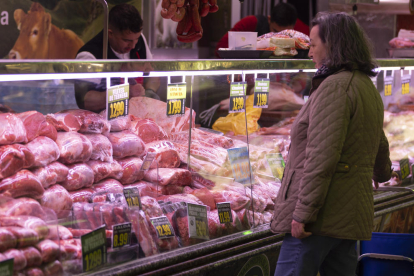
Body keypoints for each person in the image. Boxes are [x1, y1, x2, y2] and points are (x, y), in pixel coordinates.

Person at [270, 12, 392, 276]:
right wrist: (381, 173)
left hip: (319, 220)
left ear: (333, 45)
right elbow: (378, 144)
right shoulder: (365, 85)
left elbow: (321, 157)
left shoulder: (335, 87)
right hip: (347, 217)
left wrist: (303, 213)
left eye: (313, 45)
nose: (310, 53)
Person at [75, 3, 160, 112]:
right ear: (110, 33)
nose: (133, 46)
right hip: (103, 122)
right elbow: (85, 101)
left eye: (136, 39)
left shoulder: (139, 40)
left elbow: (153, 75)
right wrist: (124, 93)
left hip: (135, 119)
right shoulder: (89, 55)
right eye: (127, 41)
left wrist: (149, 92)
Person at [215, 2, 308, 57]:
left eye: (286, 34)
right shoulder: (251, 23)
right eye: (275, 31)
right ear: (269, 19)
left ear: (294, 26)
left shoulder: (302, 31)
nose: (280, 37)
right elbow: (221, 48)